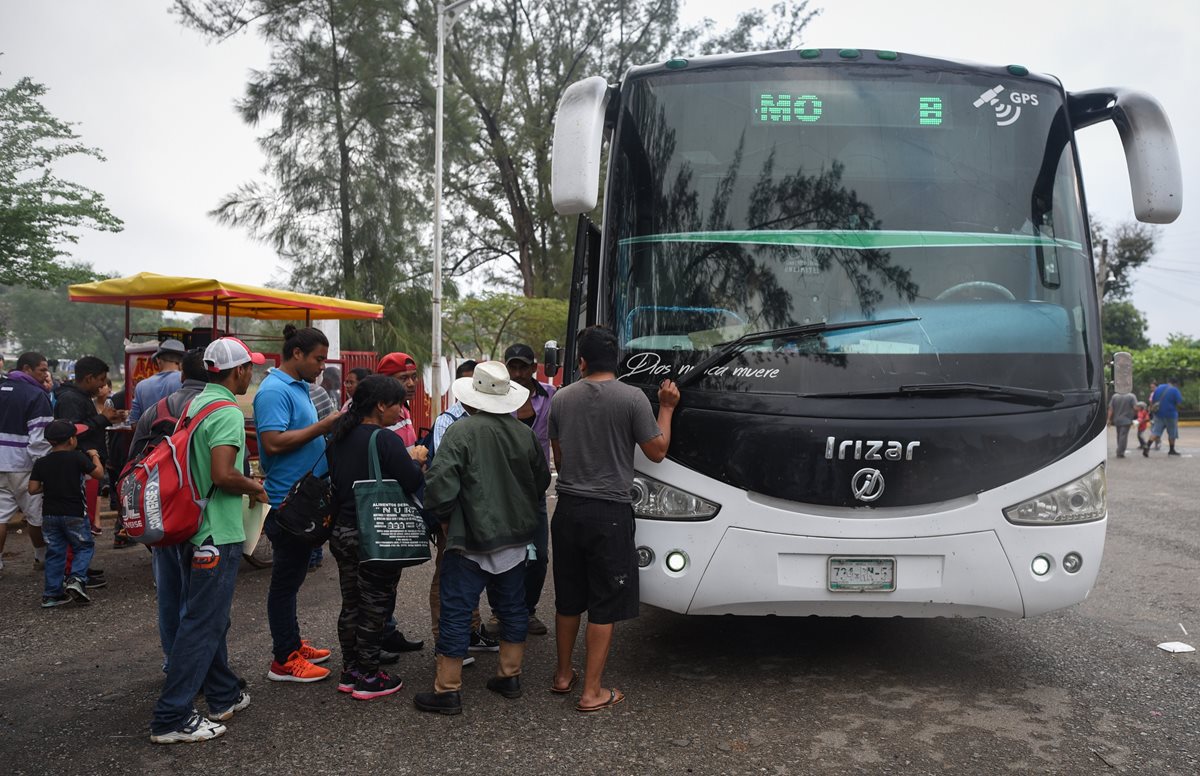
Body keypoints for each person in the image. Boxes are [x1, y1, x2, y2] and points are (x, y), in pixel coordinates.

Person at [549, 326, 679, 712]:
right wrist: (667, 408)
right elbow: (657, 451)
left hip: (568, 508)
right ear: (617, 361)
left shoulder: (560, 398)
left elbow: (559, 459)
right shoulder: (633, 398)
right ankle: (592, 692)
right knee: (604, 604)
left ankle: (562, 675)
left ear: (582, 362)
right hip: (610, 513)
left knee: (569, 598)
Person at [149, 337, 269, 745]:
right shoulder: (227, 412)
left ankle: (222, 695)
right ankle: (171, 717)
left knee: (210, 619)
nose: (251, 374)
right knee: (202, 624)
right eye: (249, 368)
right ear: (238, 371)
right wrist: (254, 487)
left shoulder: (196, 405)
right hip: (217, 531)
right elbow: (222, 473)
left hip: (193, 527)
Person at [414, 361, 551, 715]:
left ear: (473, 397)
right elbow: (540, 483)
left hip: (469, 537)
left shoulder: (461, 432)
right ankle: (510, 676)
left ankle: (447, 690)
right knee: (512, 608)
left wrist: (443, 519)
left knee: (457, 610)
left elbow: (440, 485)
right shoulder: (524, 433)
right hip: (516, 538)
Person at [327, 376, 424, 700]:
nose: (401, 411)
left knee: (351, 604)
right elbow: (410, 481)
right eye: (398, 404)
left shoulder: (340, 435)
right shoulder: (384, 440)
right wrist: (418, 460)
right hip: (373, 533)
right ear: (381, 405)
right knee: (375, 605)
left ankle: (350, 670)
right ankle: (369, 676)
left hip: (342, 530)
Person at [254, 325, 338, 683]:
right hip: (288, 502)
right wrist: (323, 426)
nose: (322, 366)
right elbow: (272, 443)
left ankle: (291, 643)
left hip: (304, 496)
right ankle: (283, 659)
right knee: (285, 583)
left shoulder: (300, 387)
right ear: (297, 354)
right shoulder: (274, 390)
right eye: (318, 359)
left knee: (293, 579)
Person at [426, 360, 494, 660]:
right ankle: (445, 641)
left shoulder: (493, 417)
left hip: (483, 512)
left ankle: (471, 630)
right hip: (455, 513)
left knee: (474, 572)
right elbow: (445, 476)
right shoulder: (447, 421)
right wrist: (445, 518)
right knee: (447, 574)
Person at [29, 420, 105, 606]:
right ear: (71, 440)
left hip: (49, 515)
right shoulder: (77, 458)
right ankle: (76, 579)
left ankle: (52, 594)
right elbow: (99, 474)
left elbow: (32, 489)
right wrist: (95, 456)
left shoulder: (42, 462)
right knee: (83, 547)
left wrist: (49, 486)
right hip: (74, 513)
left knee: (55, 552)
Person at [53, 356, 123, 534]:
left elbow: (86, 425)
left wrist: (108, 420)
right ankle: (74, 558)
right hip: (79, 465)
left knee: (86, 517)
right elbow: (72, 430)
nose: (102, 385)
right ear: (89, 378)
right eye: (100, 380)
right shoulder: (70, 398)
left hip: (86, 464)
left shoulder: (80, 397)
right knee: (80, 520)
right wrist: (102, 419)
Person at [0, 352, 53, 572]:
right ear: (27, 369)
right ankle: (41, 558)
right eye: (42, 369)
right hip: (25, 466)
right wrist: (46, 470)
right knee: (36, 516)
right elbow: (39, 440)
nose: (46, 374)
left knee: (1, 516)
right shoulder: (36, 395)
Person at [129, 339, 187, 423]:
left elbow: (134, 422)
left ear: (158, 360)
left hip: (148, 435)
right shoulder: (186, 382)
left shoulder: (141, 386)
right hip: (178, 435)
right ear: (182, 362)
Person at [375, 352, 421, 447]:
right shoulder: (377, 416)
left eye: (414, 377)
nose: (411, 384)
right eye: (403, 378)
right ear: (385, 380)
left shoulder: (404, 408)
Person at [1146, 377, 1184, 457]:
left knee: (1156, 432)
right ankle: (1171, 450)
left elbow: (1152, 400)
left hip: (1158, 414)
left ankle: (1147, 446)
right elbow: (1179, 402)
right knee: (1172, 433)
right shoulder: (1174, 390)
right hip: (1171, 415)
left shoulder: (1159, 388)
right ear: (1175, 383)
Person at [1107, 387, 1138, 458]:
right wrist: (1135, 414)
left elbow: (1111, 409)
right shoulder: (1131, 396)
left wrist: (1109, 419)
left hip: (1117, 420)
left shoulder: (1115, 396)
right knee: (1123, 436)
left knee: (1119, 435)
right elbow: (1135, 407)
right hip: (1126, 420)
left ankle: (1120, 450)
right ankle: (1120, 452)